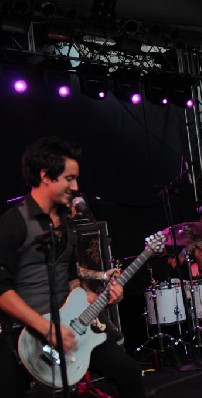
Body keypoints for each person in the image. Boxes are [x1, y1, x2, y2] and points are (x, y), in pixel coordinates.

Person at [0, 136, 145, 397]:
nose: (75, 186)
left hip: (70, 327)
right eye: (69, 179)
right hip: (27, 336)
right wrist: (46, 328)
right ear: (45, 176)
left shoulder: (67, 223)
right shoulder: (13, 223)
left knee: (129, 372)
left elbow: (70, 278)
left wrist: (93, 296)